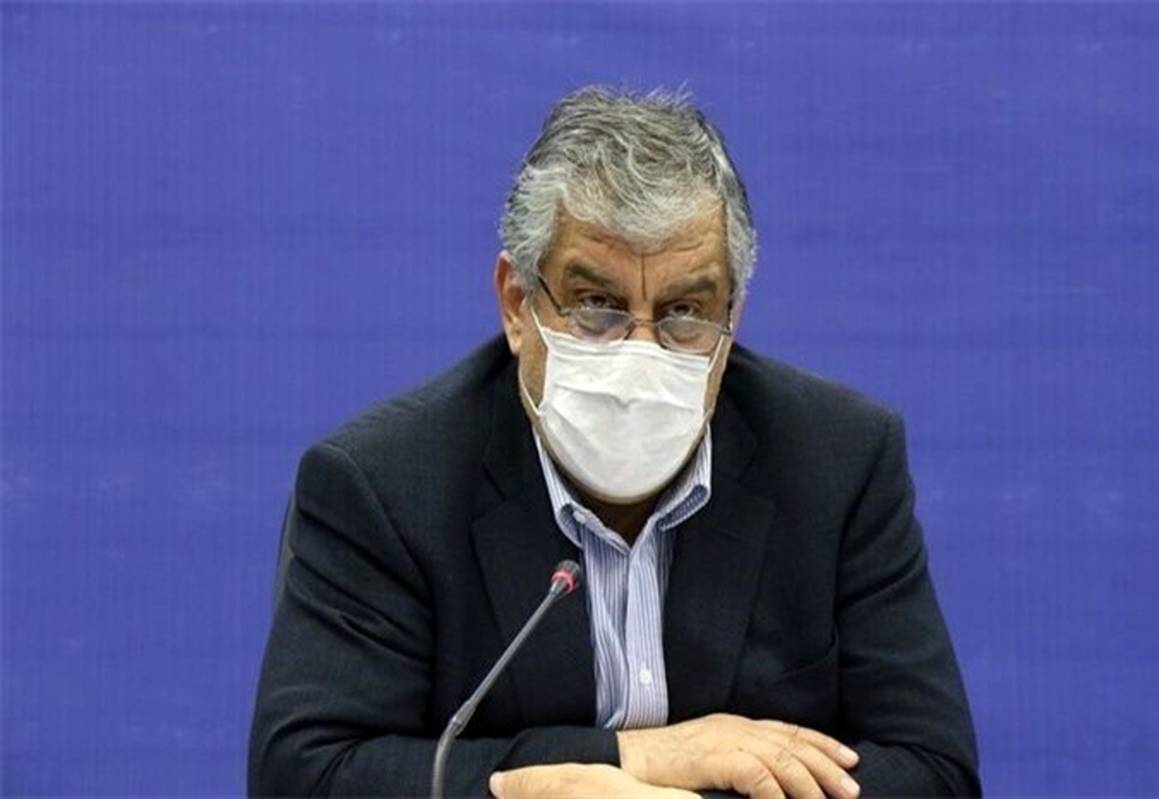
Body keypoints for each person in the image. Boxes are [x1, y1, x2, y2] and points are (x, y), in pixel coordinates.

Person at [248, 86, 979, 798]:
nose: (640, 354)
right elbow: (306, 776)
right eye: (597, 305)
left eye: (685, 311)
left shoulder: (838, 461)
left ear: (732, 324)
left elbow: (933, 770)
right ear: (517, 304)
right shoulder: (383, 484)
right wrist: (633, 757)